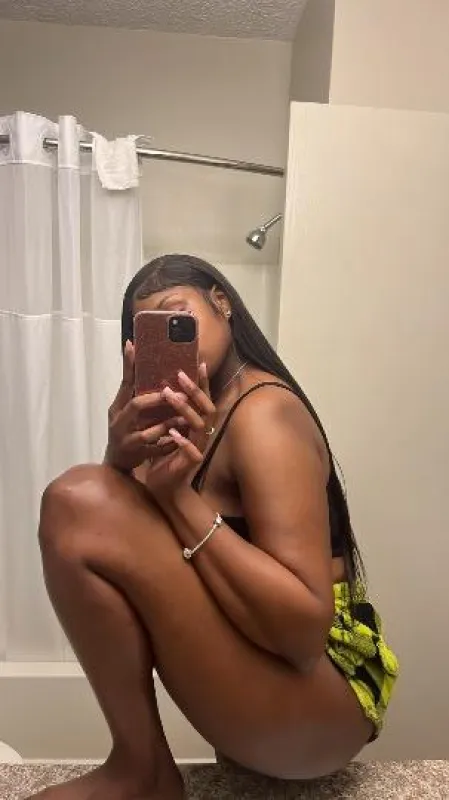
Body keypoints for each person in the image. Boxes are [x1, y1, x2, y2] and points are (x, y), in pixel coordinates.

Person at [29, 254, 398, 800]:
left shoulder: (264, 414)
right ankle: (142, 768)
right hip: (273, 694)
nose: (169, 338)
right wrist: (119, 461)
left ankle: (142, 774)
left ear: (221, 302)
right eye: (148, 333)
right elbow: (118, 553)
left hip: (325, 698)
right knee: (82, 501)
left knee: (75, 499)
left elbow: (302, 636)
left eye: (178, 316)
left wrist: (176, 497)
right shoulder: (194, 417)